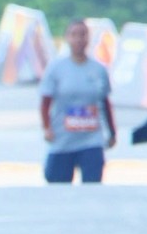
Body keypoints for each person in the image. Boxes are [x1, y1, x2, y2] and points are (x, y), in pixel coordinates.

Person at [37, 18, 115, 182]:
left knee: (92, 185)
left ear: (88, 38)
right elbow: (45, 102)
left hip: (91, 139)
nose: (79, 39)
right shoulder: (56, 68)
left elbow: (105, 103)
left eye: (83, 34)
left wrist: (112, 132)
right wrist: (47, 128)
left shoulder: (98, 70)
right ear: (67, 38)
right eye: (74, 35)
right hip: (63, 138)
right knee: (56, 182)